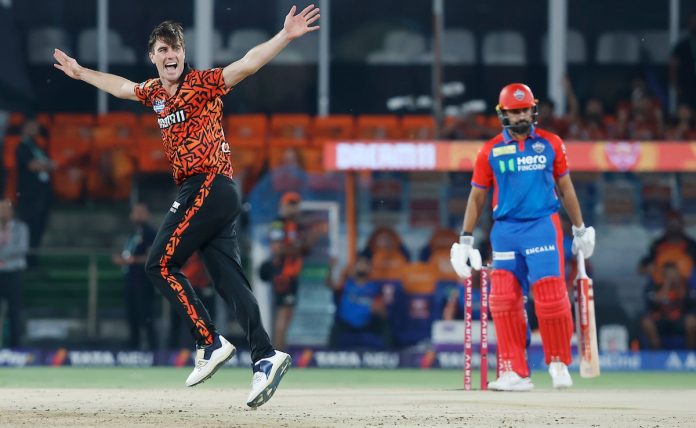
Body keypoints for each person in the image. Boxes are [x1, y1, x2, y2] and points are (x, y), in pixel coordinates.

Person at [53, 5, 320, 408]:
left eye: (175, 47)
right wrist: (80, 72)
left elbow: (247, 65)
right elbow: (122, 87)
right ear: (153, 56)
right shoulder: (154, 93)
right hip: (212, 193)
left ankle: (209, 342)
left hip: (209, 184)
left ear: (183, 52)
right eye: (162, 49)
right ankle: (265, 356)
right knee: (230, 282)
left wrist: (284, 36)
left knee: (158, 264)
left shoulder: (203, 83)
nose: (170, 54)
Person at [450, 83, 596, 391]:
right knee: (503, 300)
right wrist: (465, 240)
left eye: (525, 110)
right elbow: (477, 197)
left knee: (550, 297)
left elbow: (566, 188)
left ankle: (557, 362)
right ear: (503, 114)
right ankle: (515, 371)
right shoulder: (489, 150)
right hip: (505, 231)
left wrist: (580, 228)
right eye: (514, 111)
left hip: (542, 225)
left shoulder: (551, 143)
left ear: (533, 110)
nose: (520, 116)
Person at [259, 191, 324, 351]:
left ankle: (280, 351)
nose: (293, 208)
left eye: (296, 204)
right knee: (283, 314)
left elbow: (304, 249)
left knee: (288, 315)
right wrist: (299, 248)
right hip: (283, 273)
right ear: (283, 206)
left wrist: (313, 237)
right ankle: (277, 353)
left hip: (293, 273)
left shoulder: (296, 226)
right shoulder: (278, 224)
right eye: (290, 204)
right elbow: (278, 248)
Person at [112, 203, 158, 351]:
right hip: (130, 279)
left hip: (143, 281)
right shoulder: (133, 233)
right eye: (135, 212)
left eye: (140, 212)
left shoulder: (150, 233)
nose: (137, 215)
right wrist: (121, 259)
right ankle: (133, 347)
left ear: (147, 214)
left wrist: (133, 260)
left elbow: (152, 257)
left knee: (146, 315)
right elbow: (128, 252)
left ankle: (152, 348)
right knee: (132, 316)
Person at [325, 254, 390, 348]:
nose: (362, 266)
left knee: (385, 327)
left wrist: (378, 309)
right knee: (335, 328)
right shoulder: (346, 284)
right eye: (360, 263)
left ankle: (389, 353)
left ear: (369, 268)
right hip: (345, 326)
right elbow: (330, 284)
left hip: (367, 326)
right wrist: (331, 268)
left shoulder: (375, 287)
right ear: (354, 267)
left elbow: (383, 313)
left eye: (365, 264)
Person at [15, 116, 54, 267]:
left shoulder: (38, 147)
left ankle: (34, 260)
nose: (35, 129)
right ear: (24, 128)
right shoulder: (22, 147)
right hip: (28, 195)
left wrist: (46, 165)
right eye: (32, 126)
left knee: (39, 228)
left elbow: (50, 164)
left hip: (42, 194)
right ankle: (26, 260)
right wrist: (47, 165)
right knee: (28, 228)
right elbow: (33, 166)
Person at [641, 262, 696, 350]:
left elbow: (689, 303)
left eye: (672, 273)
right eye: (667, 273)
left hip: (680, 319)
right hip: (661, 318)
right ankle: (657, 354)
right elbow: (653, 304)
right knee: (647, 322)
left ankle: (690, 353)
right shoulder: (655, 287)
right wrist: (667, 284)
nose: (670, 276)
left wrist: (677, 284)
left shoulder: (685, 286)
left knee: (692, 322)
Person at [0, 199, 29, 347]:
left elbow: (21, 249)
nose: (3, 212)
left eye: (5, 209)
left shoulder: (20, 228)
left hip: (14, 273)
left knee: (14, 311)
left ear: (11, 211)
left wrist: (2, 255)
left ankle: (16, 346)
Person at [670, 13, 696, 110]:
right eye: (693, 22)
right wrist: (676, 85)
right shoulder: (682, 46)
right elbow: (673, 67)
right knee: (686, 111)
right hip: (686, 86)